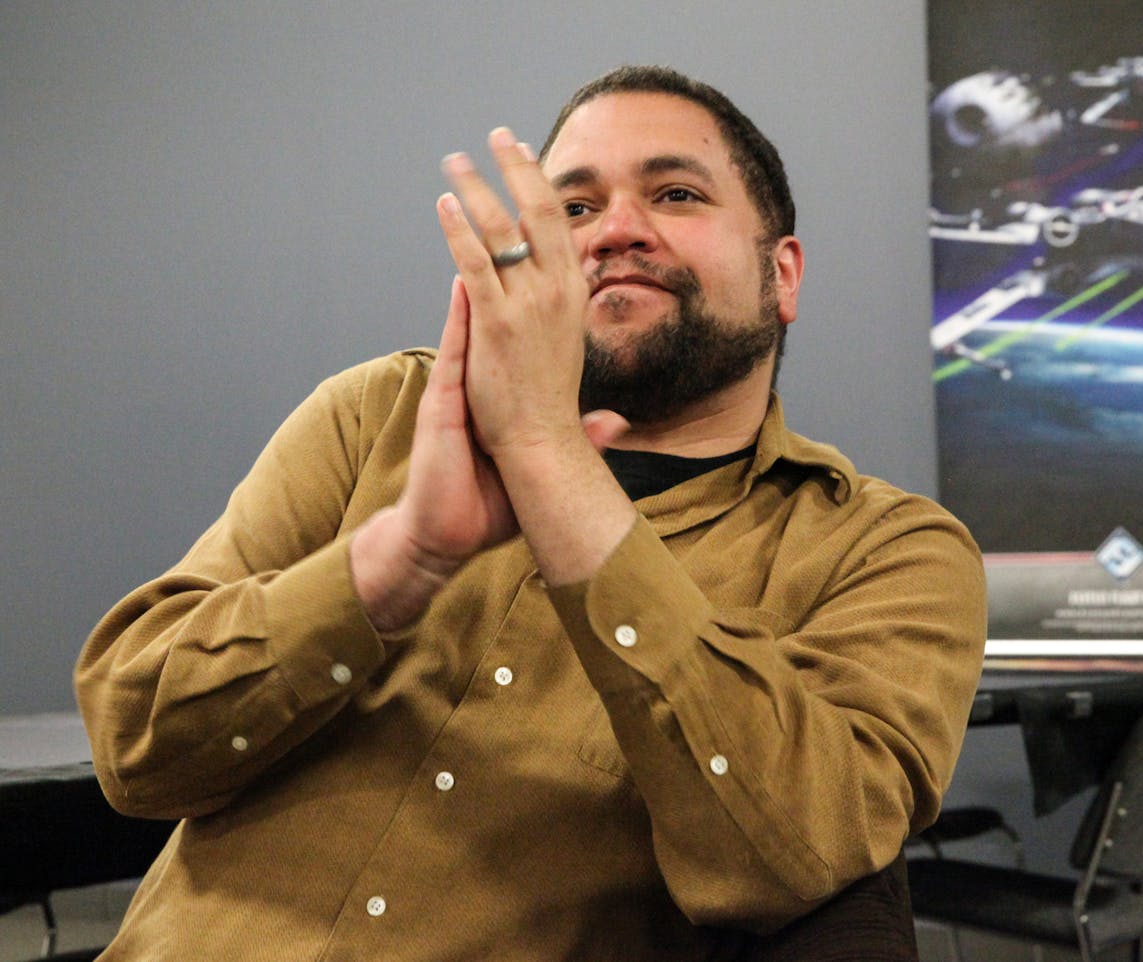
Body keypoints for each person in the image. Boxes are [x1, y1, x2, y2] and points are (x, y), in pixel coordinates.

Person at [74, 65, 987, 961]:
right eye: (574, 209)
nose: (614, 232)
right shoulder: (374, 416)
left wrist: (553, 464)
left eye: (673, 194)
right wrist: (396, 560)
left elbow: (796, 857)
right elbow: (133, 746)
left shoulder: (887, 550)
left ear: (781, 275)